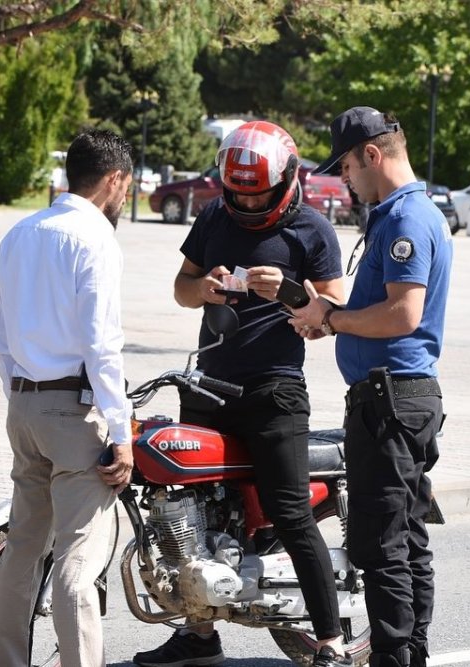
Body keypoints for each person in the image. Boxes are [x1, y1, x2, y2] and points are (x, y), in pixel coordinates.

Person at [131, 120, 351, 667]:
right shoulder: (213, 215)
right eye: (239, 194)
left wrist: (292, 292)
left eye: (259, 194)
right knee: (195, 511)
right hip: (208, 384)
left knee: (289, 511)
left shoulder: (313, 231)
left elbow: (335, 317)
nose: (248, 203)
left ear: (287, 180)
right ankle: (200, 636)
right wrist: (202, 289)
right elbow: (182, 288)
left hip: (274, 388)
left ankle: (330, 641)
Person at [288, 107, 454, 667]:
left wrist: (332, 320)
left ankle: (393, 657)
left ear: (373, 155)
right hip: (395, 397)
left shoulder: (407, 219)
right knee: (403, 540)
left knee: (381, 547)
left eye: (347, 168)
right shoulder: (397, 215)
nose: (345, 180)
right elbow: (380, 310)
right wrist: (328, 313)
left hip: (391, 401)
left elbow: (403, 315)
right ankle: (411, 654)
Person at [0, 128, 136, 667]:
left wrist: (19, 396)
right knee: (79, 562)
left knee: (23, 551)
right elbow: (103, 345)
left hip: (24, 406)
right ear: (114, 180)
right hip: (73, 412)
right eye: (126, 187)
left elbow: (1, 336)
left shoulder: (20, 233)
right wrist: (121, 432)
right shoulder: (96, 238)